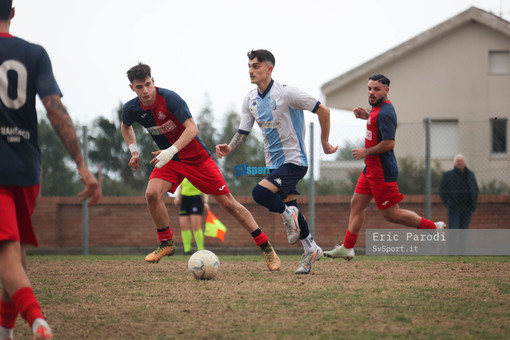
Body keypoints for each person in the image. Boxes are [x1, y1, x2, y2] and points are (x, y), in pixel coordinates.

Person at [0, 1, 102, 339]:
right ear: (12, 12)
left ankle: (37, 322)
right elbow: (56, 111)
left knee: (8, 256)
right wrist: (82, 165)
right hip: (28, 169)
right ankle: (6, 332)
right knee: (15, 256)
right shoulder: (34, 53)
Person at [121, 63, 280, 271]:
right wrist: (134, 151)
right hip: (171, 160)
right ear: (132, 88)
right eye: (140, 87)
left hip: (197, 159)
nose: (145, 90)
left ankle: (267, 248)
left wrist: (170, 151)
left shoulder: (170, 99)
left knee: (229, 205)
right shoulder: (131, 108)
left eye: (148, 84)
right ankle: (166, 243)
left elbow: (192, 129)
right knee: (151, 194)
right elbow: (126, 126)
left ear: (153, 81)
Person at [216, 49, 338, 274]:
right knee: (291, 207)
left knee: (260, 193)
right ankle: (311, 249)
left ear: (269, 68)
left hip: (295, 161)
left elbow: (324, 110)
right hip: (274, 164)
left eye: (256, 66)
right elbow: (243, 131)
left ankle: (288, 217)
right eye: (250, 66)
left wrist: (324, 141)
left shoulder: (288, 93)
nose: (251, 70)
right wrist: (230, 147)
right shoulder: (250, 99)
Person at [324, 74, 446, 261]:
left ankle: (433, 229)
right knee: (356, 204)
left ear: (386, 91)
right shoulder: (376, 110)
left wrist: (365, 152)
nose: (372, 92)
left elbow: (389, 143)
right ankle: (347, 247)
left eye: (377, 89)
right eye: (370, 88)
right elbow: (378, 125)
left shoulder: (385, 112)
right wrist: (367, 117)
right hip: (370, 170)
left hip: (382, 171)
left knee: (392, 214)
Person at [439, 154, 478, 229]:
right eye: (458, 161)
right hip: (454, 208)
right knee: (453, 228)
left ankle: (462, 242)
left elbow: (475, 189)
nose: (460, 163)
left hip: (467, 207)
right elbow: (442, 190)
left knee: (464, 229)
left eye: (461, 161)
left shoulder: (470, 175)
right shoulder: (448, 175)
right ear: (454, 163)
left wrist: (473, 205)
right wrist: (448, 203)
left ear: (465, 163)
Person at [173, 178, 208, 254]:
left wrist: (206, 202)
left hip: (196, 200)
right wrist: (177, 197)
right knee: (183, 226)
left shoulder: (198, 173)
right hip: (185, 200)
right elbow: (181, 187)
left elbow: (205, 189)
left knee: (196, 226)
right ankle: (187, 249)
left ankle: (200, 249)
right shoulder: (183, 173)